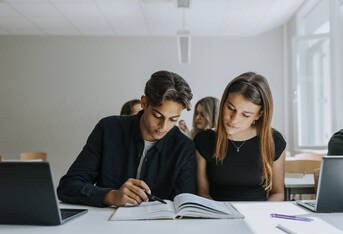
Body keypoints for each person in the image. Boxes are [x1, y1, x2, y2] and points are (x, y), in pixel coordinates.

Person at [57, 71, 196, 207]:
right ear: (144, 102)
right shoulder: (108, 129)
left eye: (173, 119)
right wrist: (110, 196)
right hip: (103, 226)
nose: (163, 127)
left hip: (159, 228)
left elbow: (184, 205)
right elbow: (68, 186)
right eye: (157, 116)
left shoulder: (184, 147)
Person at [194, 72, 286, 201]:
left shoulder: (274, 141)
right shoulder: (204, 140)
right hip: (216, 216)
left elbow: (278, 193)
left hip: (259, 216)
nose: (234, 119)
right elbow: (202, 194)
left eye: (245, 115)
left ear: (259, 115)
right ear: (223, 103)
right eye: (230, 108)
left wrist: (260, 217)